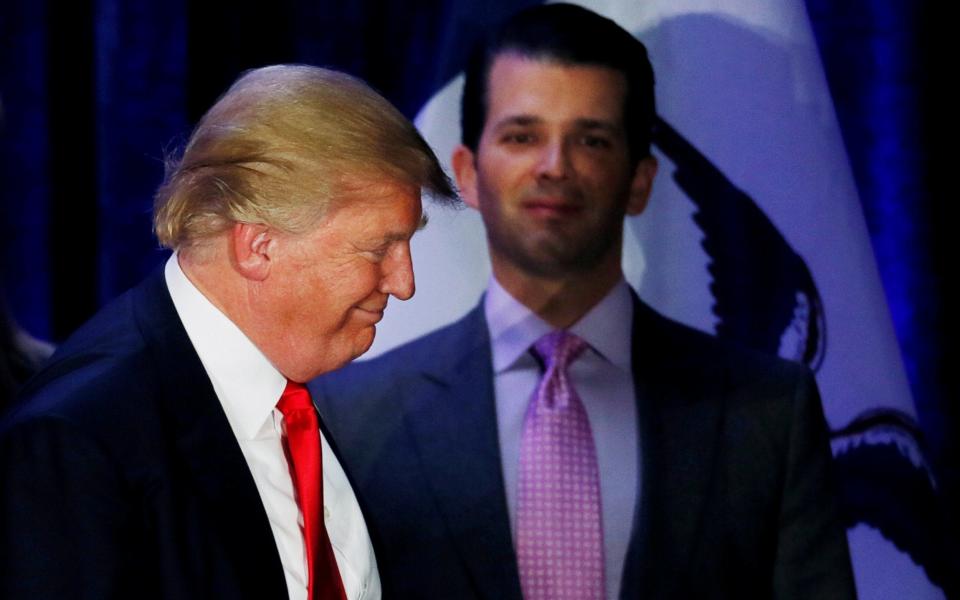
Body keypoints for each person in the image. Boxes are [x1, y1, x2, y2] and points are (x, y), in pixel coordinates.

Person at [311, 5, 855, 599]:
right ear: (466, 172)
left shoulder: (769, 414)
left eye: (591, 140)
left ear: (639, 181)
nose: (555, 167)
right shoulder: (349, 419)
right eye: (523, 136)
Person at [0, 64, 455, 599]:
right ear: (258, 245)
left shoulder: (301, 400)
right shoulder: (75, 442)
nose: (404, 283)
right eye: (379, 247)